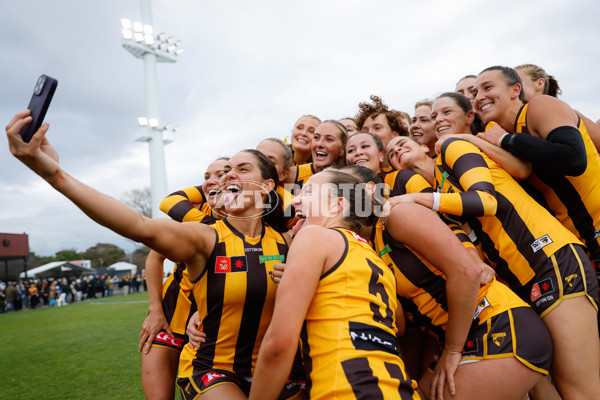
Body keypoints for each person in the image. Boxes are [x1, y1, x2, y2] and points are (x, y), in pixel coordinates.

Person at [6, 112, 304, 399]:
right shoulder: (203, 237)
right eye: (227, 171)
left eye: (242, 169)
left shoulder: (289, 243)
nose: (228, 177)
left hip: (276, 371)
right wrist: (56, 175)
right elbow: (139, 226)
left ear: (267, 186)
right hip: (215, 371)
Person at [388, 92, 600, 398]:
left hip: (548, 258)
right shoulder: (437, 184)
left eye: (446, 112)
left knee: (579, 391)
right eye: (434, 115)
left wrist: (414, 198)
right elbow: (521, 170)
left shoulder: (451, 147)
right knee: (547, 390)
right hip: (521, 277)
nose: (438, 120)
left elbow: (485, 201)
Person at [249, 169, 419, 400]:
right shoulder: (374, 258)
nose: (296, 199)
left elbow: (278, 346)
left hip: (348, 391)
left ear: (337, 205)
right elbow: (398, 325)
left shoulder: (313, 237)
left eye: (308, 192)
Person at [473, 66, 600, 266]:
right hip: (580, 244)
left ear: (515, 90)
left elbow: (574, 158)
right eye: (475, 93)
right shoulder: (505, 138)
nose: (479, 97)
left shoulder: (540, 106)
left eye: (487, 88)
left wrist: (507, 140)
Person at [514, 63, 600, 152]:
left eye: (517, 82)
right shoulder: (516, 122)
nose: (513, 88)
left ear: (539, 83)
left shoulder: (567, 113)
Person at [285, 120, 348, 190]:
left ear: (343, 149)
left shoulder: (350, 178)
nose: (319, 144)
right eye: (316, 137)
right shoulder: (291, 176)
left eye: (329, 139)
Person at [355, 95, 410, 171]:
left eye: (377, 128)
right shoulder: (358, 173)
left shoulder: (409, 169)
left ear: (395, 134)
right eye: (365, 131)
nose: (370, 133)